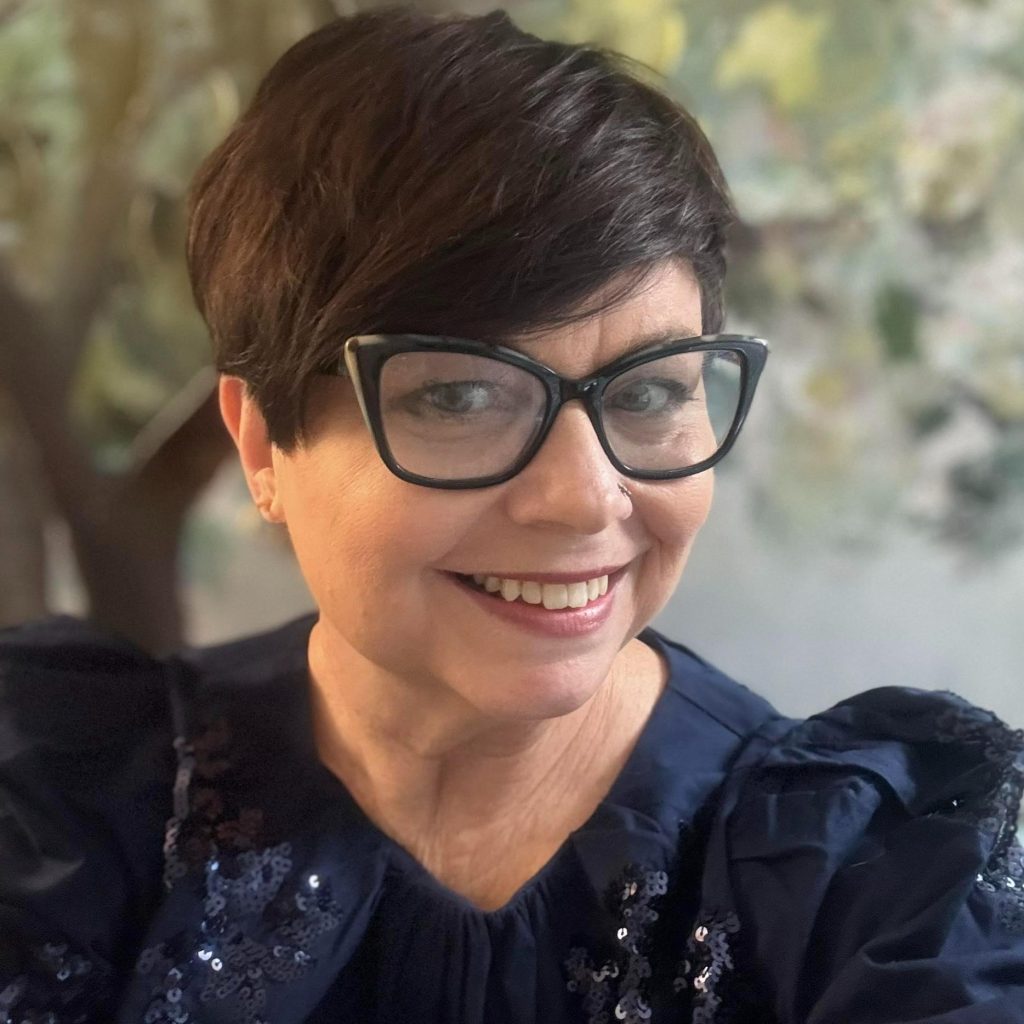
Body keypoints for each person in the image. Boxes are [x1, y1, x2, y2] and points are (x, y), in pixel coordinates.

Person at [1, 8, 1021, 1023]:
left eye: (650, 390)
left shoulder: (879, 882)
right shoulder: (67, 813)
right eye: (459, 396)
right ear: (264, 443)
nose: (584, 497)